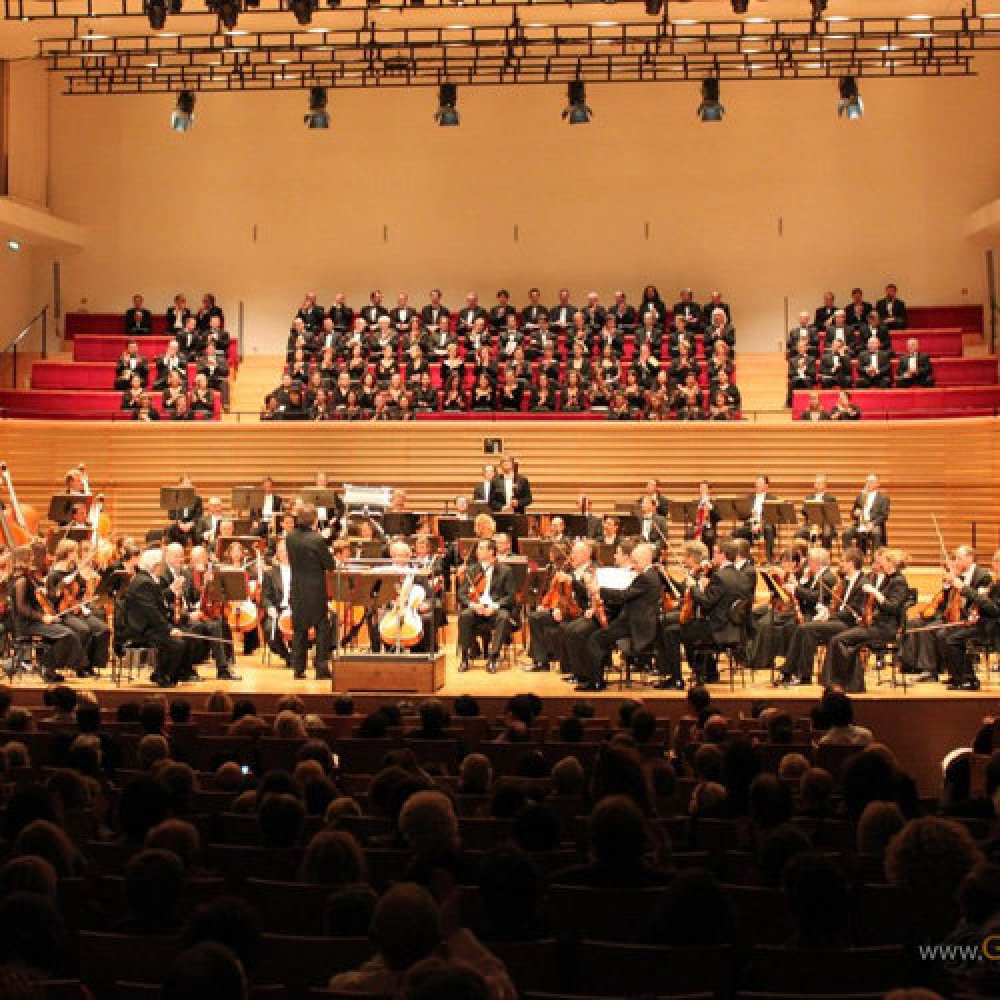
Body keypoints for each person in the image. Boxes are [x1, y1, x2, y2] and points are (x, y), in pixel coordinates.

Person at [579, 541, 661, 693]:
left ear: (645, 560)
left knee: (595, 639)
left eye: (636, 562)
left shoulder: (646, 578)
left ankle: (595, 682)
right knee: (600, 637)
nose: (634, 566)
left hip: (634, 625)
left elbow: (624, 595)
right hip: (632, 621)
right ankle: (596, 678)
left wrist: (600, 590)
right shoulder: (650, 575)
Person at [826, 547, 911, 692]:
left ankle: (838, 684)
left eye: (882, 561)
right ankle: (848, 684)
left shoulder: (899, 581)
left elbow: (892, 607)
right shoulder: (887, 579)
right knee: (840, 639)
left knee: (839, 640)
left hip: (886, 629)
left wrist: (876, 593)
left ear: (890, 563)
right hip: (875, 625)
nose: (878, 564)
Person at [780, 547, 867, 686]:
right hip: (839, 620)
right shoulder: (845, 580)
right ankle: (790, 672)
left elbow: (853, 612)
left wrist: (830, 616)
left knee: (808, 629)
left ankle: (801, 675)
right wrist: (827, 612)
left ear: (851, 563)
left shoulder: (863, 583)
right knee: (803, 628)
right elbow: (838, 605)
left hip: (849, 624)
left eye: (843, 561)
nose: (840, 564)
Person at [680, 539, 755, 685]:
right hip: (735, 630)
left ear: (724, 555)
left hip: (717, 630)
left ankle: (694, 672)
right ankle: (709, 672)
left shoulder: (720, 576)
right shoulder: (742, 576)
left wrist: (693, 587)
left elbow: (706, 603)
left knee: (677, 630)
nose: (712, 556)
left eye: (715, 553)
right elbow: (721, 597)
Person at [120, 548, 198, 687]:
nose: (164, 566)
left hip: (151, 625)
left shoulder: (149, 579)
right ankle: (164, 676)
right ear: (155, 565)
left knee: (187, 636)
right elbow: (152, 612)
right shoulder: (143, 582)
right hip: (141, 628)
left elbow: (158, 601)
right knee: (177, 644)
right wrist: (169, 629)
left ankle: (164, 673)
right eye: (162, 563)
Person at [527, 539, 594, 673]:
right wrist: (557, 608)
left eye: (575, 553)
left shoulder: (593, 570)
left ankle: (569, 668)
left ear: (586, 555)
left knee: (565, 626)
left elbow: (587, 593)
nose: (571, 556)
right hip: (567, 610)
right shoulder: (571, 571)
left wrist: (572, 581)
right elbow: (563, 594)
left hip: (583, 612)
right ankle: (541, 661)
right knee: (535, 617)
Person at [286, 504, 334, 680]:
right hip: (315, 589)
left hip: (297, 588)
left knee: (299, 628)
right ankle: (321, 668)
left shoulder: (290, 537)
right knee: (321, 628)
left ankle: (298, 668)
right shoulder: (317, 539)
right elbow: (330, 565)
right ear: (314, 519)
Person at [941, 547, 1000, 691]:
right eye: (993, 560)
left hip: (993, 627)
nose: (993, 564)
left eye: (996, 561)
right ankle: (960, 677)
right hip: (984, 621)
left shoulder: (992, 581)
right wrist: (975, 613)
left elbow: (995, 609)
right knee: (947, 635)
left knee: (953, 639)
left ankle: (968, 679)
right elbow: (984, 604)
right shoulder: (996, 582)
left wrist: (964, 588)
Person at [457, 539, 516, 674]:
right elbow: (461, 594)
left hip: (494, 609)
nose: (478, 551)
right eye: (478, 548)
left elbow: (510, 597)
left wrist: (494, 606)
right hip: (477, 608)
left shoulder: (505, 571)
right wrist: (473, 605)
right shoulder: (472, 570)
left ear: (491, 551)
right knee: (465, 615)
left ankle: (493, 658)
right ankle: (465, 658)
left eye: (482, 548)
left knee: (503, 616)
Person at [842, 474, 890, 553]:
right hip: (860, 524)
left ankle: (874, 561)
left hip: (873, 525)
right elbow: (852, 513)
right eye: (867, 482)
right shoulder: (861, 496)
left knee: (876, 533)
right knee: (846, 533)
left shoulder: (883, 498)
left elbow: (884, 515)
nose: (868, 484)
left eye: (871, 482)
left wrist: (873, 523)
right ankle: (849, 558)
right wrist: (855, 513)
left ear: (877, 484)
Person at [734, 475, 778, 562]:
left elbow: (771, 517)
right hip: (750, 524)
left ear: (766, 486)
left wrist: (760, 525)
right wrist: (748, 513)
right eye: (757, 483)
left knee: (769, 529)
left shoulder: (772, 499)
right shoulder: (749, 498)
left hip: (765, 524)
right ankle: (747, 559)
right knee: (736, 533)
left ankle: (769, 559)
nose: (757, 485)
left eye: (760, 483)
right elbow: (743, 516)